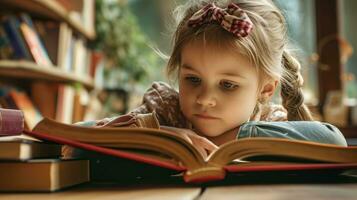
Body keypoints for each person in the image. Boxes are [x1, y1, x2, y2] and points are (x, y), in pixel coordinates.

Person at [74, 0, 347, 158]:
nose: (204, 99)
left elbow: (333, 142)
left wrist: (235, 140)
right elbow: (77, 135)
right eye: (192, 79)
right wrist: (161, 137)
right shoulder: (164, 110)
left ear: (265, 89)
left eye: (227, 84)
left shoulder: (269, 122)